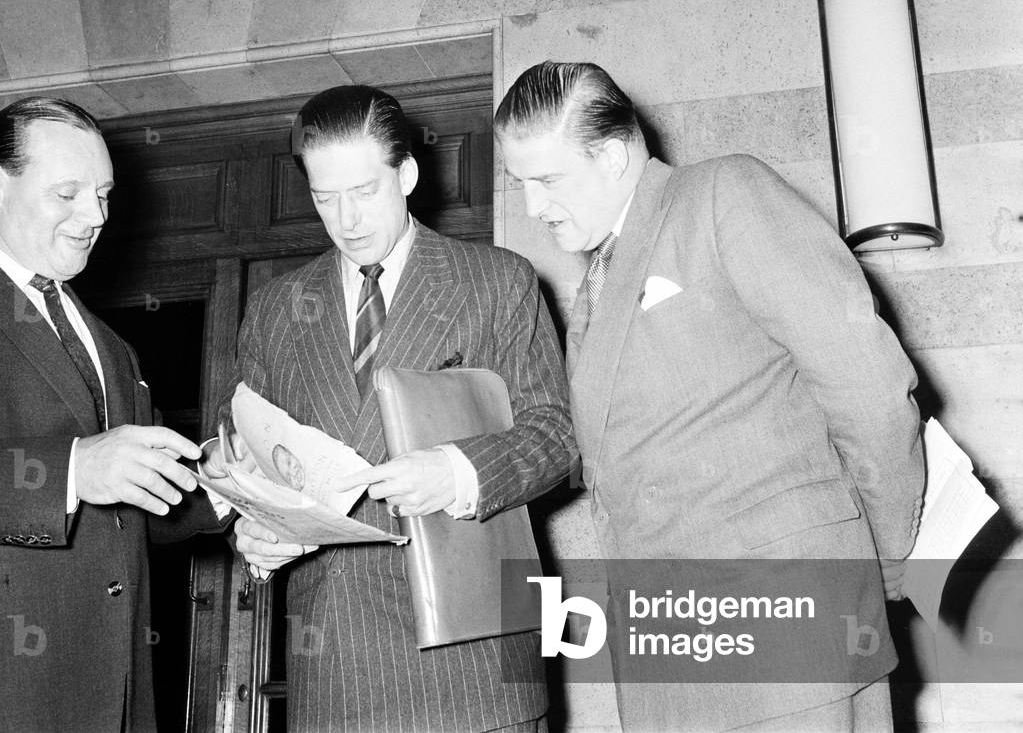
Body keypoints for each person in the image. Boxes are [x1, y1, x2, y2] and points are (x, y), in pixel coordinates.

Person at [495, 61, 925, 733]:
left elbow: (866, 386)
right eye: (517, 183)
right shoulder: (595, 283)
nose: (531, 207)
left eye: (547, 180)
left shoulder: (722, 194)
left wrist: (887, 558)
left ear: (611, 157)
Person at [231, 84, 576, 732]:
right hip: (337, 667)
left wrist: (458, 471)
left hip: (471, 662)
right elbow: (252, 461)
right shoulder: (276, 310)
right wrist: (254, 527)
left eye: (365, 192)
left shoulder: (496, 280)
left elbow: (556, 435)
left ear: (408, 174)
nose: (347, 220)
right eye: (324, 198)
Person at [0, 97, 223, 733]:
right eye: (67, 193)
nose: (94, 216)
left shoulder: (112, 347)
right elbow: (85, 477)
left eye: (102, 193)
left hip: (119, 699)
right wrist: (72, 470)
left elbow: (132, 516)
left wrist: (226, 485)